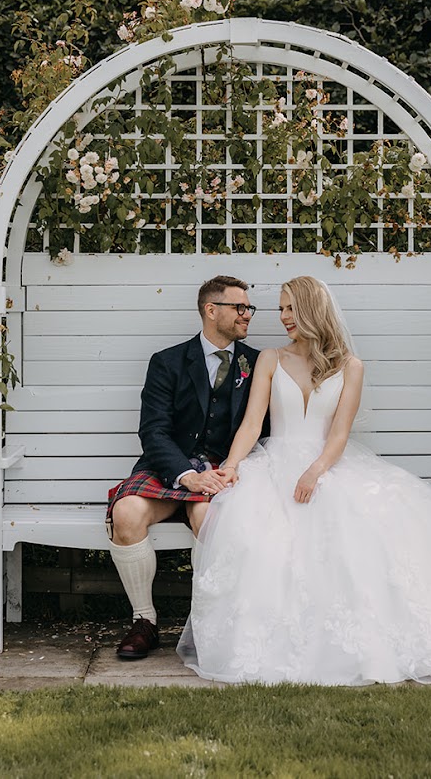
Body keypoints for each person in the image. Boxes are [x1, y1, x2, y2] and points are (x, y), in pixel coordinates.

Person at [179, 276, 431, 685]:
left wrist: (315, 471)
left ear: (312, 311)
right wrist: (232, 464)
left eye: (290, 309)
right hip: (273, 462)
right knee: (257, 533)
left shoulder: (351, 367)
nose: (282, 318)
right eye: (280, 309)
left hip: (326, 464)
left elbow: (338, 435)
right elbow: (250, 425)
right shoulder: (269, 359)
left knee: (362, 531)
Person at [106, 275, 266, 659]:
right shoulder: (167, 362)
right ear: (212, 311)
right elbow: (153, 430)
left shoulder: (257, 364)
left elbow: (264, 427)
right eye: (239, 307)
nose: (247, 314)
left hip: (222, 470)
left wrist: (228, 468)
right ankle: (144, 622)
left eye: (249, 308)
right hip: (170, 469)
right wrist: (186, 475)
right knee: (125, 511)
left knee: (211, 519)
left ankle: (207, 621)